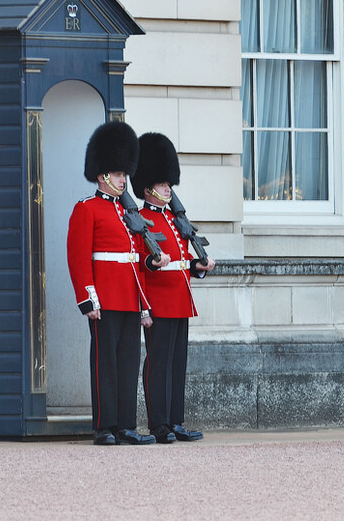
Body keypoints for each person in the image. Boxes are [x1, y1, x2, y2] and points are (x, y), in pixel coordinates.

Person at [67, 121, 170, 446]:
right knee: (105, 363)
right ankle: (104, 426)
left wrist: (150, 268)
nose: (124, 180)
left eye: (125, 174)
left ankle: (126, 425)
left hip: (128, 296)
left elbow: (135, 259)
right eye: (118, 174)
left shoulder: (128, 215)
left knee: (127, 363)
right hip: (104, 297)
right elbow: (78, 258)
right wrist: (88, 298)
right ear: (102, 176)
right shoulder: (87, 209)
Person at [131, 132, 215, 444]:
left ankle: (175, 421)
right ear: (148, 187)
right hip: (158, 300)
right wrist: (154, 264)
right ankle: (159, 424)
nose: (169, 187)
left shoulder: (174, 220)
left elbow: (181, 262)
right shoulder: (140, 220)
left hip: (180, 299)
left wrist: (199, 267)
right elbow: (142, 263)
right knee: (158, 363)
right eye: (164, 183)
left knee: (177, 364)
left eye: (169, 183)